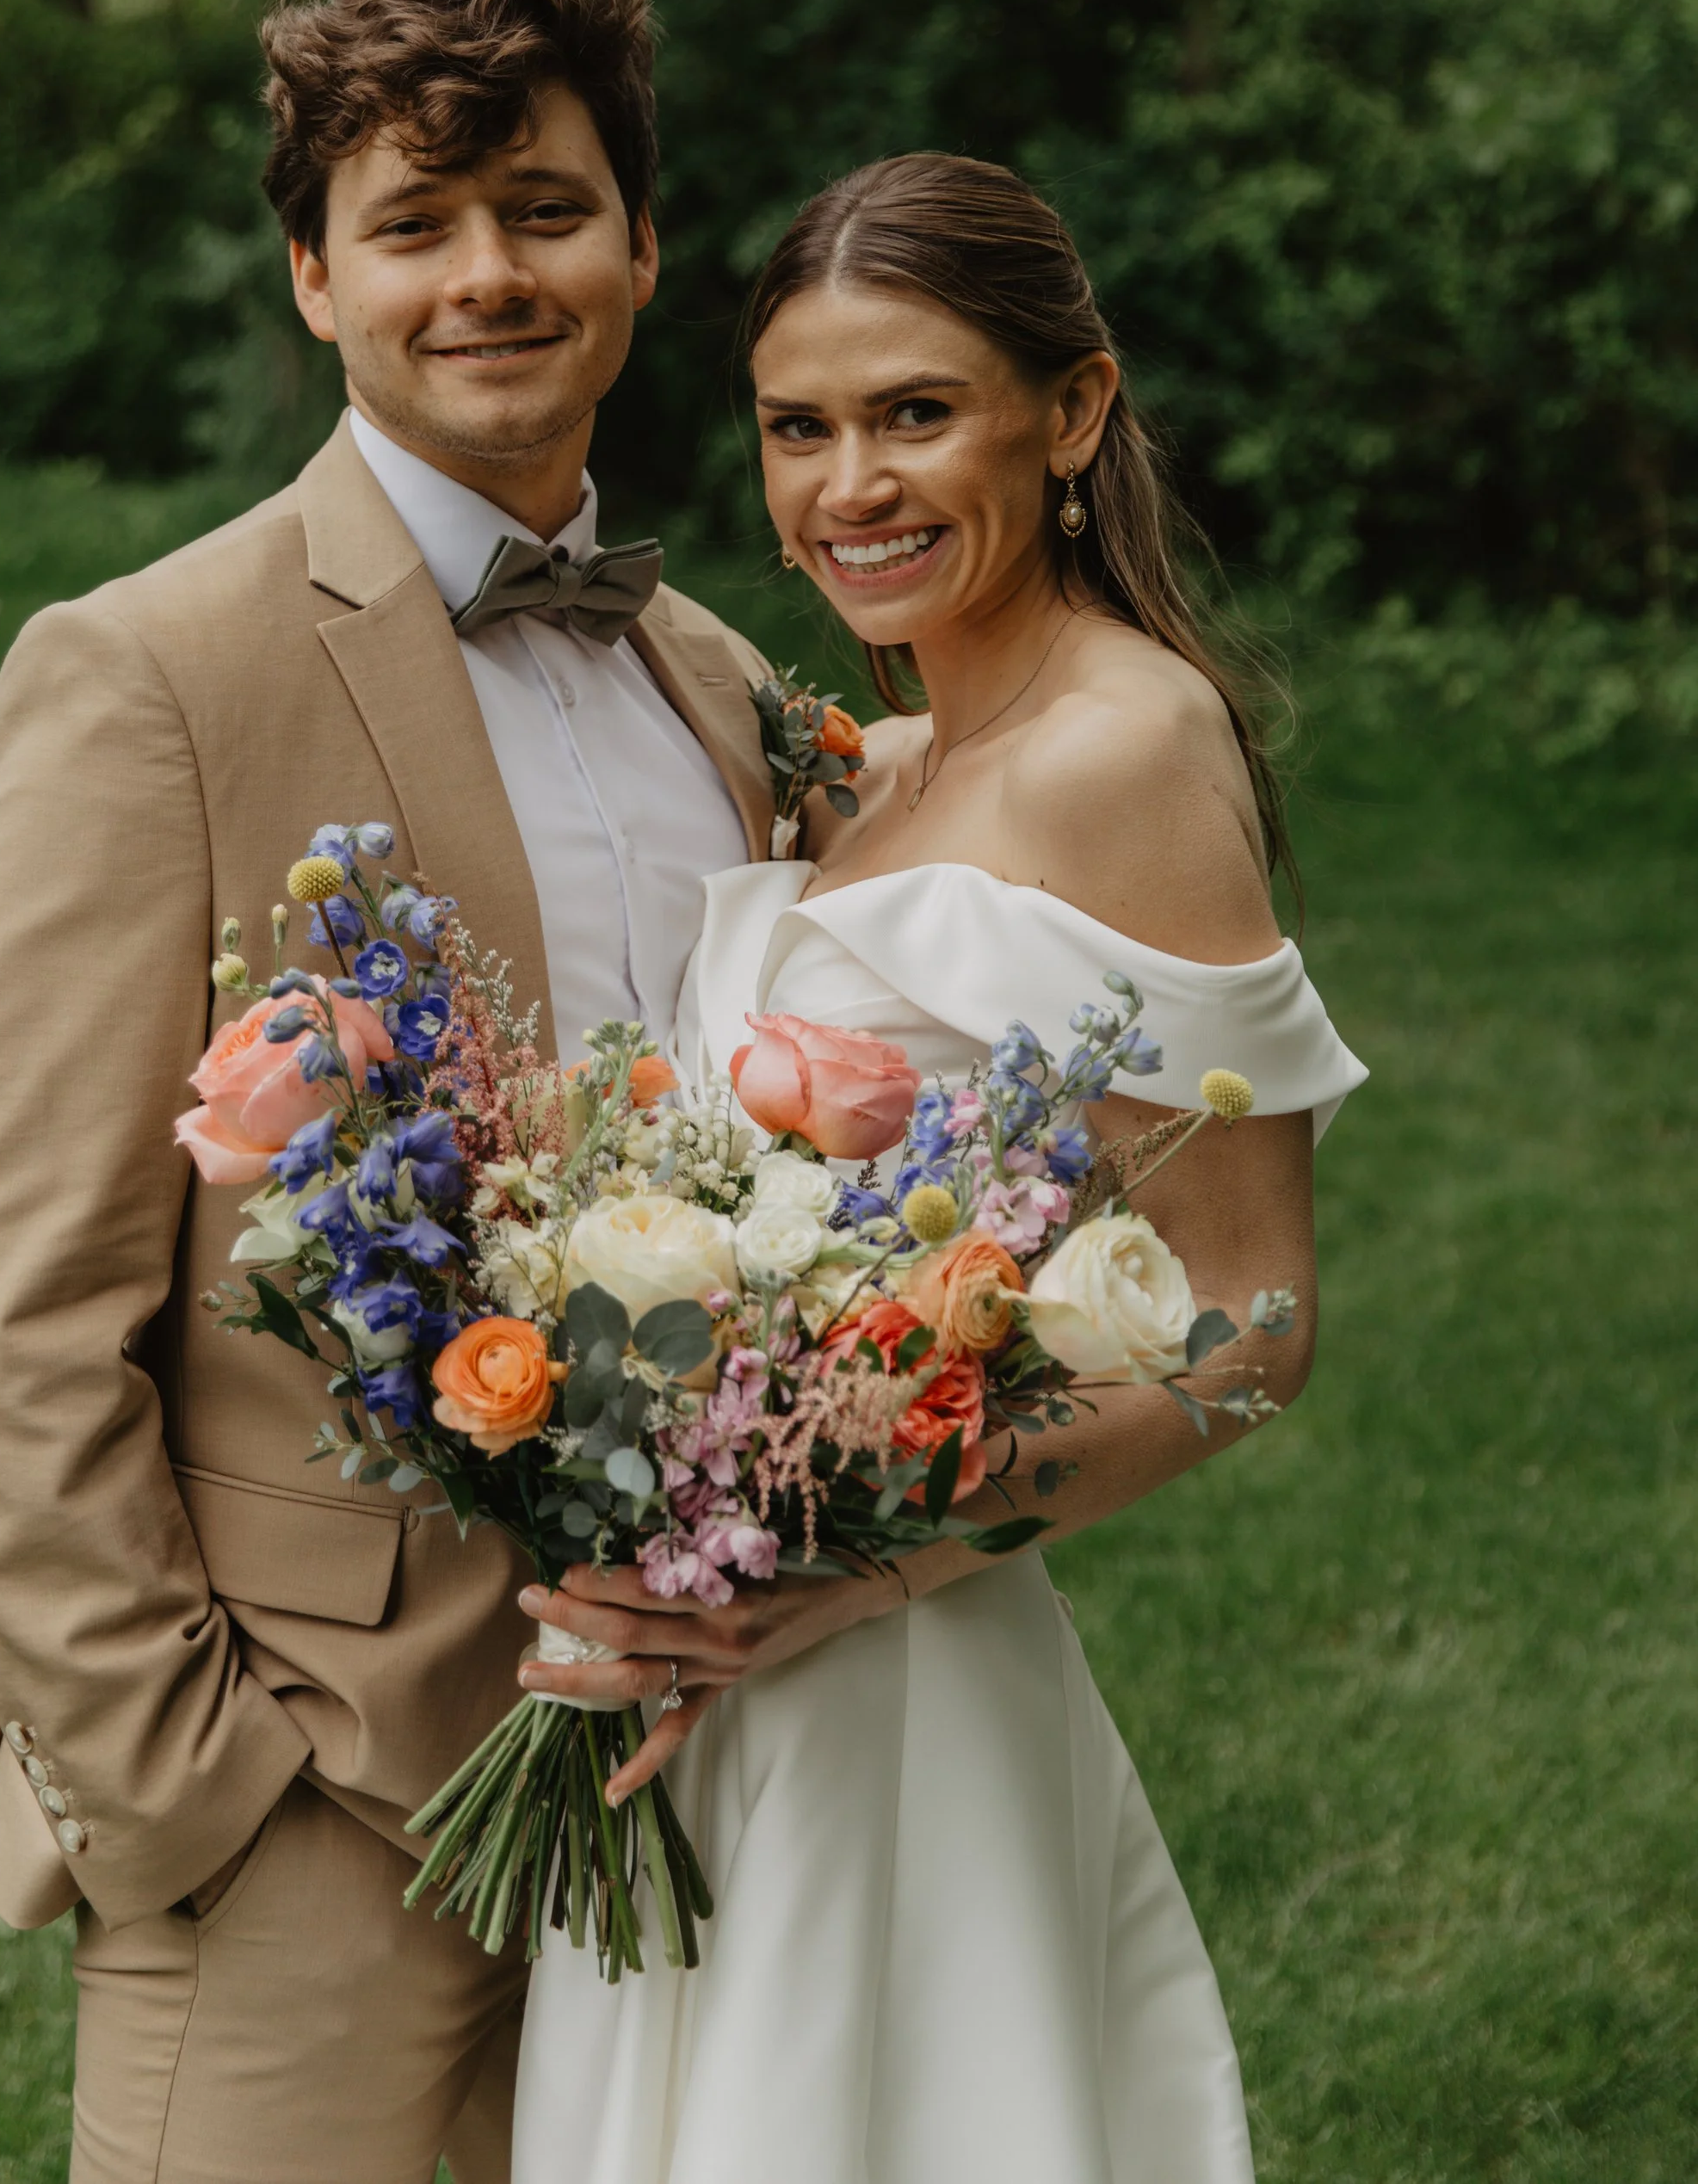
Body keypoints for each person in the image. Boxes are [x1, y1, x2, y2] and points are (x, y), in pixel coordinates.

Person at [0, 0, 776, 2184]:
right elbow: (8, 1303)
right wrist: (184, 1774)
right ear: (316, 275)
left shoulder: (723, 683)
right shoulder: (148, 674)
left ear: (641, 246)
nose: (486, 271)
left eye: (546, 209)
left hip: (703, 1746)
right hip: (309, 1784)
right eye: (413, 222)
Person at [511, 151, 1367, 2184]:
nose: (846, 488)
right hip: (712, 1633)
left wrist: (852, 1568)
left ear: (1068, 414)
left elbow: (1251, 1324)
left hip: (870, 1651)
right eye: (796, 429)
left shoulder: (1117, 751)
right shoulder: (884, 762)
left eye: (914, 415)